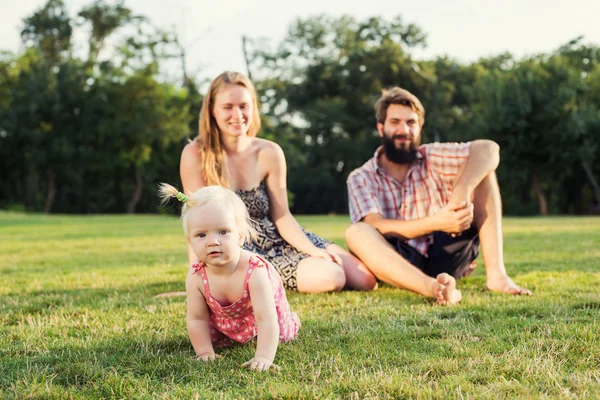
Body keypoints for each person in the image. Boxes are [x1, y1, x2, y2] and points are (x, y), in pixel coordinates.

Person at [180, 71, 377, 293]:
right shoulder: (195, 154)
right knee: (332, 277)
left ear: (253, 107)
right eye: (228, 107)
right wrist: (198, 279)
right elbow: (195, 222)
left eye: (244, 105)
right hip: (243, 251)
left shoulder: (269, 151)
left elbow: (282, 216)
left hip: (282, 236)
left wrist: (312, 249)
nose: (238, 114)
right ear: (212, 111)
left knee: (365, 280)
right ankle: (259, 279)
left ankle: (304, 264)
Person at [345, 87, 532, 305]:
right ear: (381, 128)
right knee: (356, 232)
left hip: (444, 249)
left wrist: (460, 194)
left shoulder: (431, 155)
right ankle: (433, 288)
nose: (403, 129)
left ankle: (497, 275)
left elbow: (488, 149)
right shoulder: (361, 177)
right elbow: (377, 226)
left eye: (411, 122)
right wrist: (435, 222)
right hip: (397, 258)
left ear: (420, 127)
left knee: (482, 172)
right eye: (395, 122)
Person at [159, 183, 300, 371]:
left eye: (223, 232)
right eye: (201, 235)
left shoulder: (254, 271)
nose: (213, 241)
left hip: (265, 310)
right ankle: (233, 332)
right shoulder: (196, 277)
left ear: (240, 237)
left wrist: (264, 357)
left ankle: (293, 318)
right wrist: (204, 352)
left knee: (282, 334)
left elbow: (266, 318)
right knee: (216, 339)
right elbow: (197, 319)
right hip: (225, 320)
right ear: (190, 241)